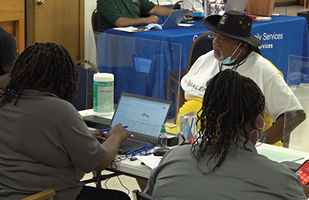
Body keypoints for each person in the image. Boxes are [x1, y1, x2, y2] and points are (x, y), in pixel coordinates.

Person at [145, 70, 309, 200]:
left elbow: (147, 195)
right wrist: (297, 191)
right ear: (258, 122)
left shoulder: (172, 158)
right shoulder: (281, 180)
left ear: (206, 116)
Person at [0, 42, 131, 200]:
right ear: (64, 76)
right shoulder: (60, 110)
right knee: (120, 197)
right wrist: (116, 136)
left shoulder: (4, 100)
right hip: (45, 196)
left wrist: (81, 135)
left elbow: (31, 135)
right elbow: (99, 162)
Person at [177, 10, 305, 146]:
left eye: (223, 39)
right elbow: (183, 88)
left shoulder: (263, 70)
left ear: (242, 45)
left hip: (241, 151)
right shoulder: (206, 59)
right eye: (215, 36)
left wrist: (260, 143)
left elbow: (295, 115)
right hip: (192, 144)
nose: (215, 42)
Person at [97, 0, 190, 32]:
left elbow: (153, 8)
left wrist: (175, 12)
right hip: (113, 39)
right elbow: (120, 22)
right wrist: (146, 20)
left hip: (135, 35)